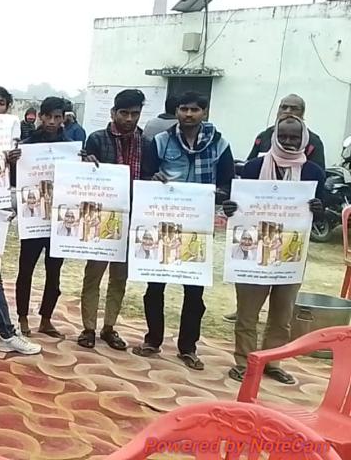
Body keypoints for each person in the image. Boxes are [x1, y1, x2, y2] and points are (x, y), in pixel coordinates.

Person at [132, 91, 234, 371]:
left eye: (194, 109)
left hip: (197, 227)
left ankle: (188, 347)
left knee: (194, 292)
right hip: (163, 223)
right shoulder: (161, 141)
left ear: (205, 112)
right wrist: (154, 179)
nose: (188, 114)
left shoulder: (220, 144)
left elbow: (228, 182)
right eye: (183, 109)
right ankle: (152, 340)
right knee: (155, 287)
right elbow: (146, 175)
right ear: (176, 111)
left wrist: (217, 195)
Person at [224, 115, 325, 385]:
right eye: (283, 136)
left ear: (304, 140)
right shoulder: (254, 167)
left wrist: (318, 208)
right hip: (254, 252)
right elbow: (239, 203)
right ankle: (244, 363)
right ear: (274, 137)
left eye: (294, 137)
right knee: (247, 313)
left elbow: (320, 211)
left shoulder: (313, 173)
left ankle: (272, 362)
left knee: (282, 315)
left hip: (290, 255)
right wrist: (232, 208)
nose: (288, 141)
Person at [78, 89, 158, 351]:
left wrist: (156, 182)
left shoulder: (147, 144)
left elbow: (149, 177)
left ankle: (109, 327)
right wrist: (86, 165)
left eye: (135, 113)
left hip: (133, 219)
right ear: (113, 112)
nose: (129, 118)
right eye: (124, 113)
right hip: (101, 219)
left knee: (119, 278)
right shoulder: (96, 139)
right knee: (93, 275)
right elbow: (84, 177)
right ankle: (88, 328)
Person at [15, 96, 73, 338]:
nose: (51, 122)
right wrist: (13, 161)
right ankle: (22, 317)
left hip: (57, 220)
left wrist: (84, 162)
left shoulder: (71, 147)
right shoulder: (26, 146)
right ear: (40, 116)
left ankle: (46, 319)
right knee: (25, 270)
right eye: (47, 116)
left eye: (57, 117)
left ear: (63, 119)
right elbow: (15, 178)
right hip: (33, 219)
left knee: (54, 272)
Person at [247, 95, 325, 168]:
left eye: (294, 109)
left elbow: (318, 173)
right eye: (284, 107)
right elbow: (249, 165)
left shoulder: (313, 142)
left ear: (302, 113)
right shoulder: (263, 137)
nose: (287, 111)